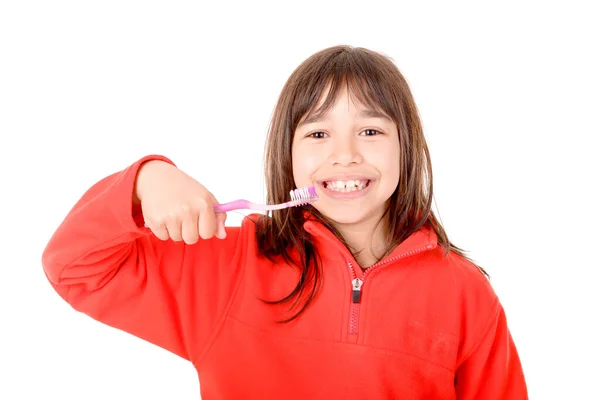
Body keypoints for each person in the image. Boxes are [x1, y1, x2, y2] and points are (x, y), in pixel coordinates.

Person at [42, 45, 528, 399]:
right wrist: (145, 180)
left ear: (408, 148)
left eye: (371, 130)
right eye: (318, 132)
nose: (345, 155)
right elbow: (75, 266)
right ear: (287, 155)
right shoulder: (229, 265)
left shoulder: (464, 295)